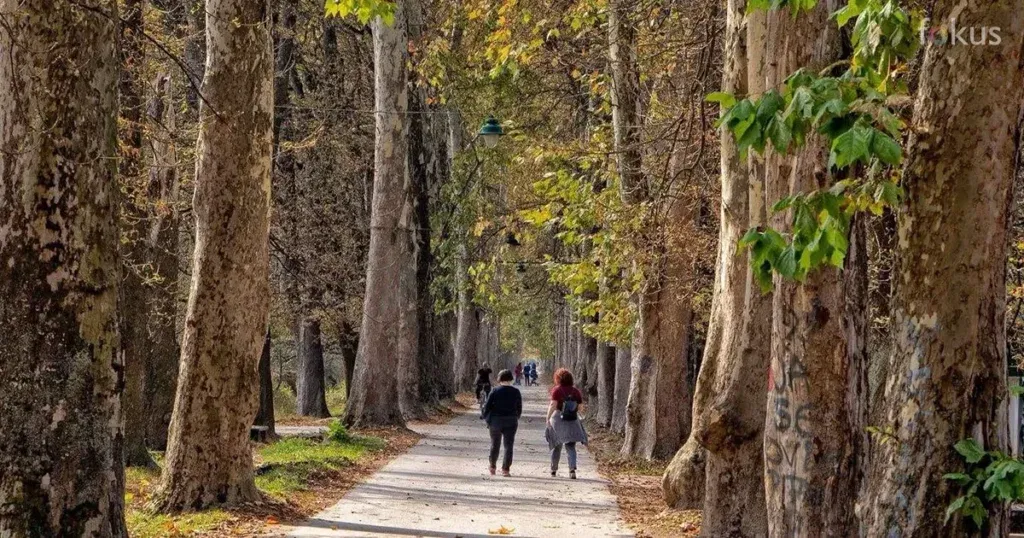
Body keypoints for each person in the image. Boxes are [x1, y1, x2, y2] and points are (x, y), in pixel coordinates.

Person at [545, 368, 587, 479]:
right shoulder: (576, 391)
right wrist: (573, 410)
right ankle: (572, 470)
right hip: (572, 420)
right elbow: (581, 407)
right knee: (571, 447)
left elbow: (553, 405)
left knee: (557, 446)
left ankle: (553, 470)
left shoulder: (556, 390)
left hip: (558, 419)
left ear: (558, 378)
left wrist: (548, 417)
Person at [480, 369, 522, 476]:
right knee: (509, 445)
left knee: (495, 444)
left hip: (495, 421)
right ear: (511, 379)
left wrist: (487, 419)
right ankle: (505, 469)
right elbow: (519, 408)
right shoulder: (516, 392)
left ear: (500, 379)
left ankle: (492, 466)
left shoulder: (494, 391)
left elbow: (487, 407)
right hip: (511, 421)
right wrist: (516, 417)